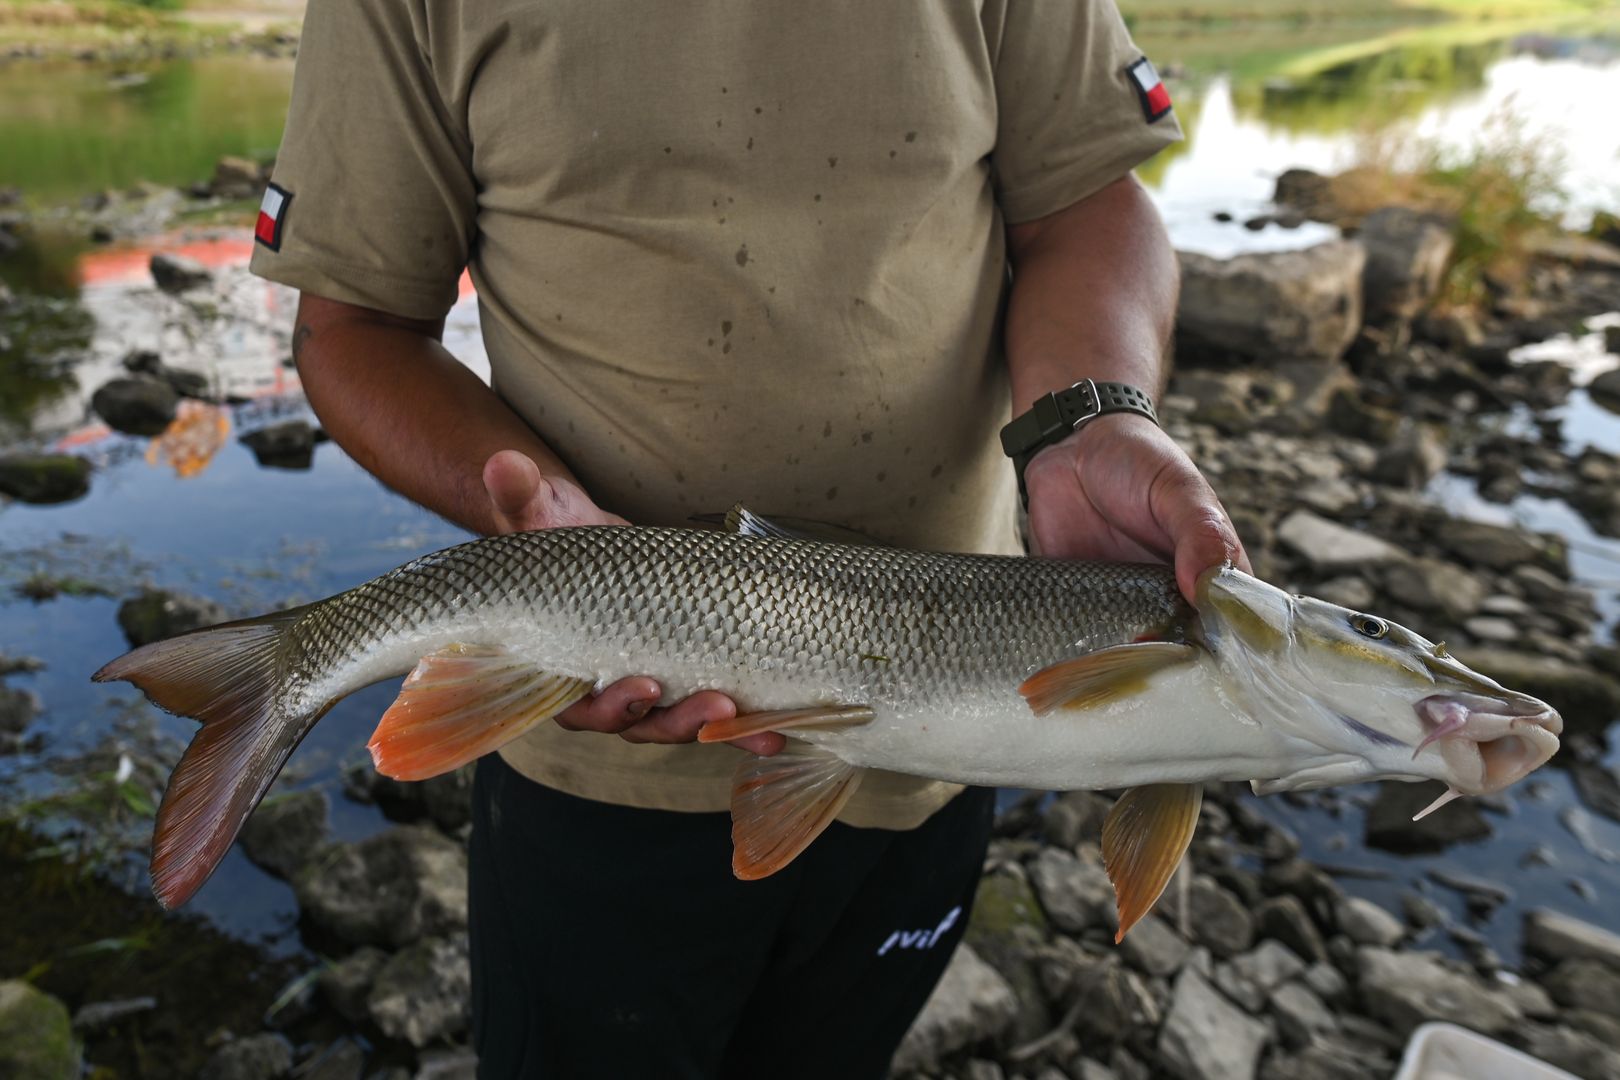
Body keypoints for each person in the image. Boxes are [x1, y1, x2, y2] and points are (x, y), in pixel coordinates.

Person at [250, 2, 1248, 1076]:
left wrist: (1089, 418)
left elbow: (1088, 202)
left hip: (956, 736)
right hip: (593, 772)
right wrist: (542, 520)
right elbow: (350, 327)